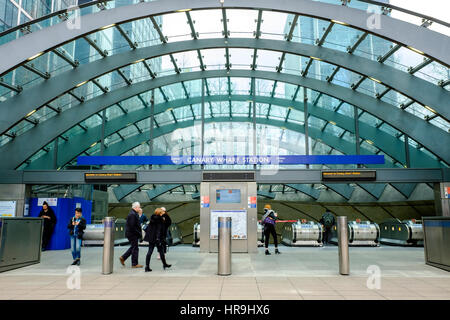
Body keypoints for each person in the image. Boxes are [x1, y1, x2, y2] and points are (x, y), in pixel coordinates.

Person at [119, 202, 143, 268]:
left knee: (133, 247)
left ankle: (123, 257)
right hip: (133, 234)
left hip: (132, 233)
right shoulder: (132, 214)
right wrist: (138, 233)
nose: (140, 208)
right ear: (136, 207)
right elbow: (132, 226)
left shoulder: (134, 213)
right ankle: (134, 264)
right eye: (139, 207)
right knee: (135, 248)